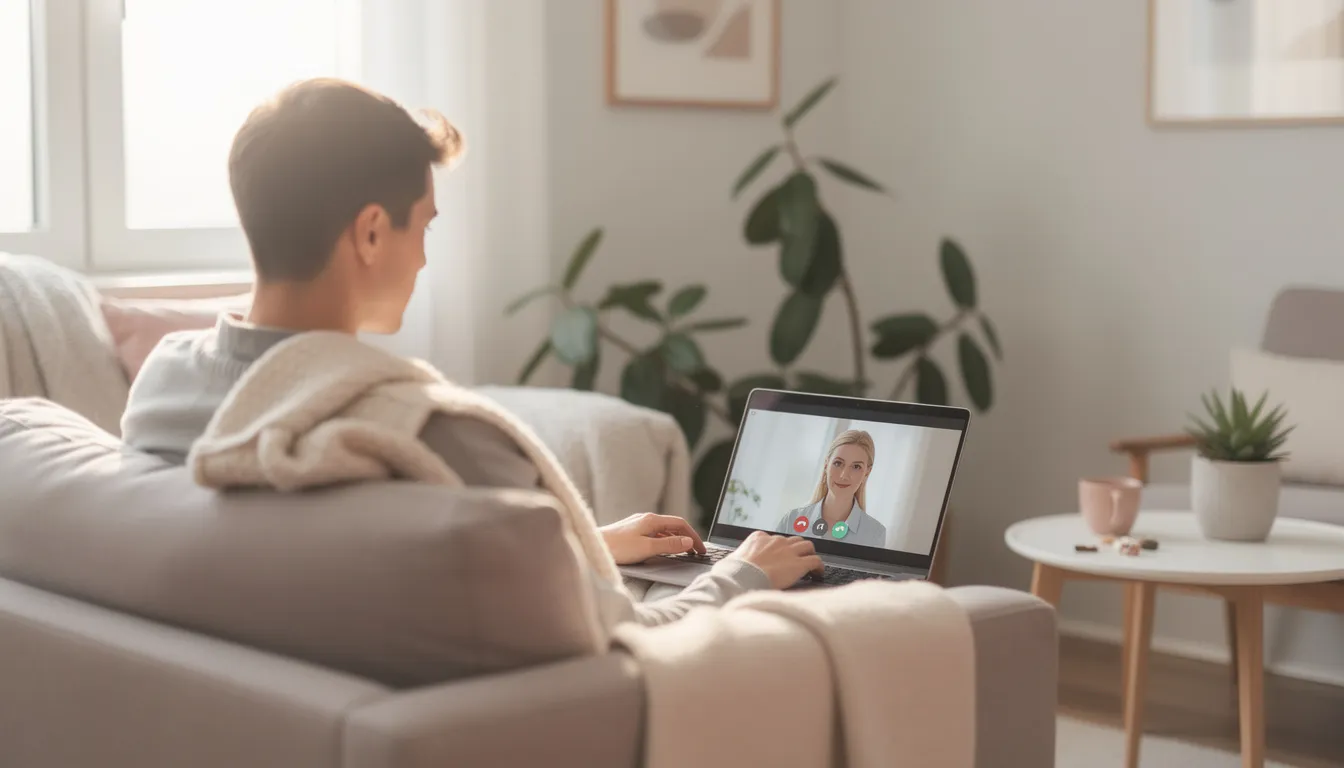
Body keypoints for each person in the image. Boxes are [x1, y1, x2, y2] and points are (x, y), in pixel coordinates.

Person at [120, 78, 822, 626]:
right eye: (422, 225)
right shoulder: (431, 437)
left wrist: (583, 543)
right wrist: (747, 573)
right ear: (370, 234)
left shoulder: (166, 388)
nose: (424, 258)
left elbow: (396, 566)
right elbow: (629, 635)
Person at [777, 429, 888, 548]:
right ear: (826, 464)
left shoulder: (875, 533)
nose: (844, 475)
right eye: (838, 463)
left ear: (867, 472)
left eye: (856, 467)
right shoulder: (791, 519)